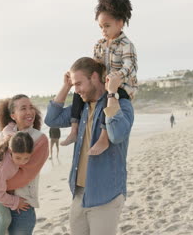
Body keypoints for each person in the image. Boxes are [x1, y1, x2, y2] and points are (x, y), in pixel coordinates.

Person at [45, 57, 134, 235]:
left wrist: (111, 94)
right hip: (79, 194)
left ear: (94, 77)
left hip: (105, 195)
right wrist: (66, 86)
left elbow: (116, 134)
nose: (76, 90)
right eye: (73, 85)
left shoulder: (122, 105)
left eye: (79, 84)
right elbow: (51, 119)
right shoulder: (82, 109)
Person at [60, 0, 138, 157]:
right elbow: (93, 66)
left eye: (107, 26)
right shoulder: (99, 45)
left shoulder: (127, 45)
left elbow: (130, 67)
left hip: (122, 86)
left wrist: (117, 77)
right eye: (101, 27)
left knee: (108, 98)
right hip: (104, 82)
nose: (103, 30)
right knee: (78, 92)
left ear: (120, 23)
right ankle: (74, 129)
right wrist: (79, 75)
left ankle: (104, 137)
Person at [0, 94, 49, 235]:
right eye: (23, 108)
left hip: (21, 207)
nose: (29, 111)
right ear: (13, 115)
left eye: (31, 107)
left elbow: (22, 177)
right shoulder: (3, 136)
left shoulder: (40, 140)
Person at [0, 131, 35, 235]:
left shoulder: (14, 141)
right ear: (10, 150)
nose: (22, 162)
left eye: (26, 158)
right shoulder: (4, 166)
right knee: (5, 218)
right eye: (18, 158)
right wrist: (16, 202)